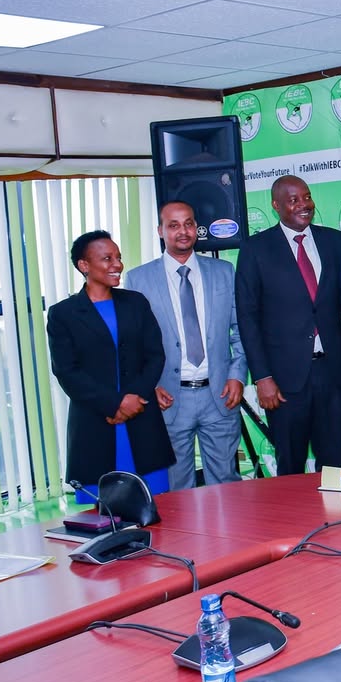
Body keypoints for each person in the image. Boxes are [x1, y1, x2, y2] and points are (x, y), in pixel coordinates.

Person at [126, 201, 248, 490]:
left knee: (227, 485)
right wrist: (149, 385)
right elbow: (132, 344)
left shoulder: (223, 271)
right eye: (173, 225)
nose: (183, 231)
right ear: (160, 231)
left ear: (196, 228)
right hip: (168, 397)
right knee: (176, 489)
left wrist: (237, 375)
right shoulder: (138, 279)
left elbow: (241, 329)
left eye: (189, 223)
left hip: (219, 395)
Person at [235, 175, 341, 476]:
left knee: (333, 463)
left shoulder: (336, 242)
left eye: (307, 197)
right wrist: (262, 377)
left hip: (332, 374)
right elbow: (247, 317)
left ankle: (333, 507)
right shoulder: (256, 249)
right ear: (276, 205)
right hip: (283, 380)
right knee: (290, 464)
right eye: (294, 200)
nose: (304, 205)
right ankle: (292, 510)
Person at [47, 230, 173, 498]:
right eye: (107, 259)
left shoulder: (136, 302)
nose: (117, 265)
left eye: (118, 257)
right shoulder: (63, 314)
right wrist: (115, 404)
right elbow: (66, 371)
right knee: (102, 512)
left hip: (141, 418)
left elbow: (155, 355)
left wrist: (134, 399)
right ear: (84, 265)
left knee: (159, 505)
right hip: (96, 422)